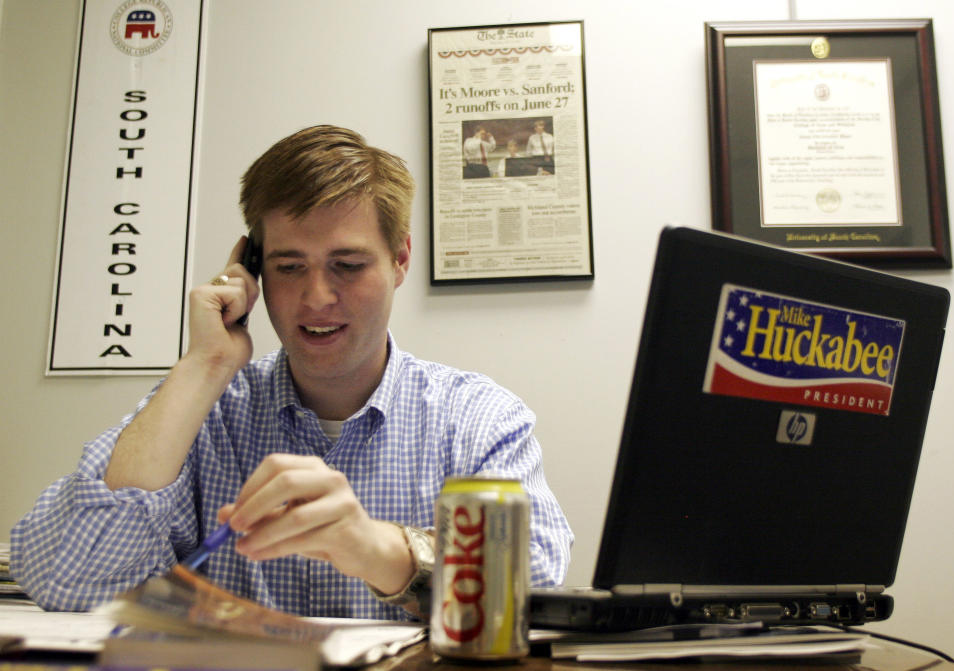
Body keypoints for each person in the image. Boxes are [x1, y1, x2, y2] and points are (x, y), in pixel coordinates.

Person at [11, 125, 573, 620]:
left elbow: (535, 585)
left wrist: (376, 551)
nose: (316, 297)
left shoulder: (477, 417)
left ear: (400, 260)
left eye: (347, 266)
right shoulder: (206, 409)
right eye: (288, 267)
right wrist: (205, 363)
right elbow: (68, 580)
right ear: (252, 268)